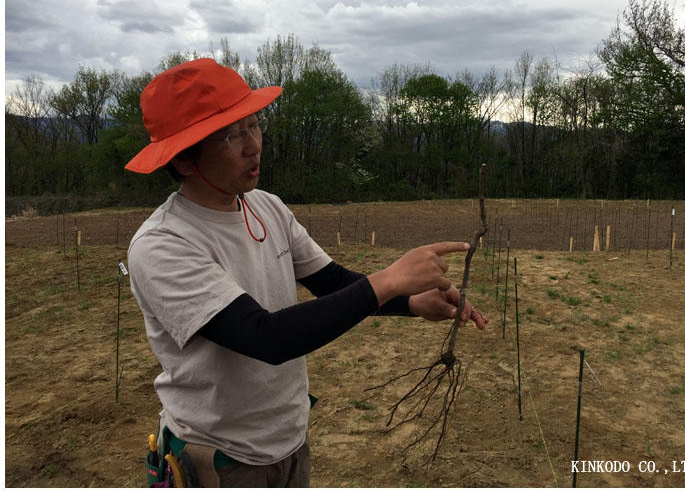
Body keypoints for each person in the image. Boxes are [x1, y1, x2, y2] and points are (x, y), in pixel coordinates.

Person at [126, 58, 488, 488]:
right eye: (231, 136)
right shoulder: (164, 245)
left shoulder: (267, 207)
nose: (253, 145)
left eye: (254, 126)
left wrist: (411, 303)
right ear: (184, 161)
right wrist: (389, 279)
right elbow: (265, 337)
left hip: (289, 440)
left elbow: (332, 283)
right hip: (219, 459)